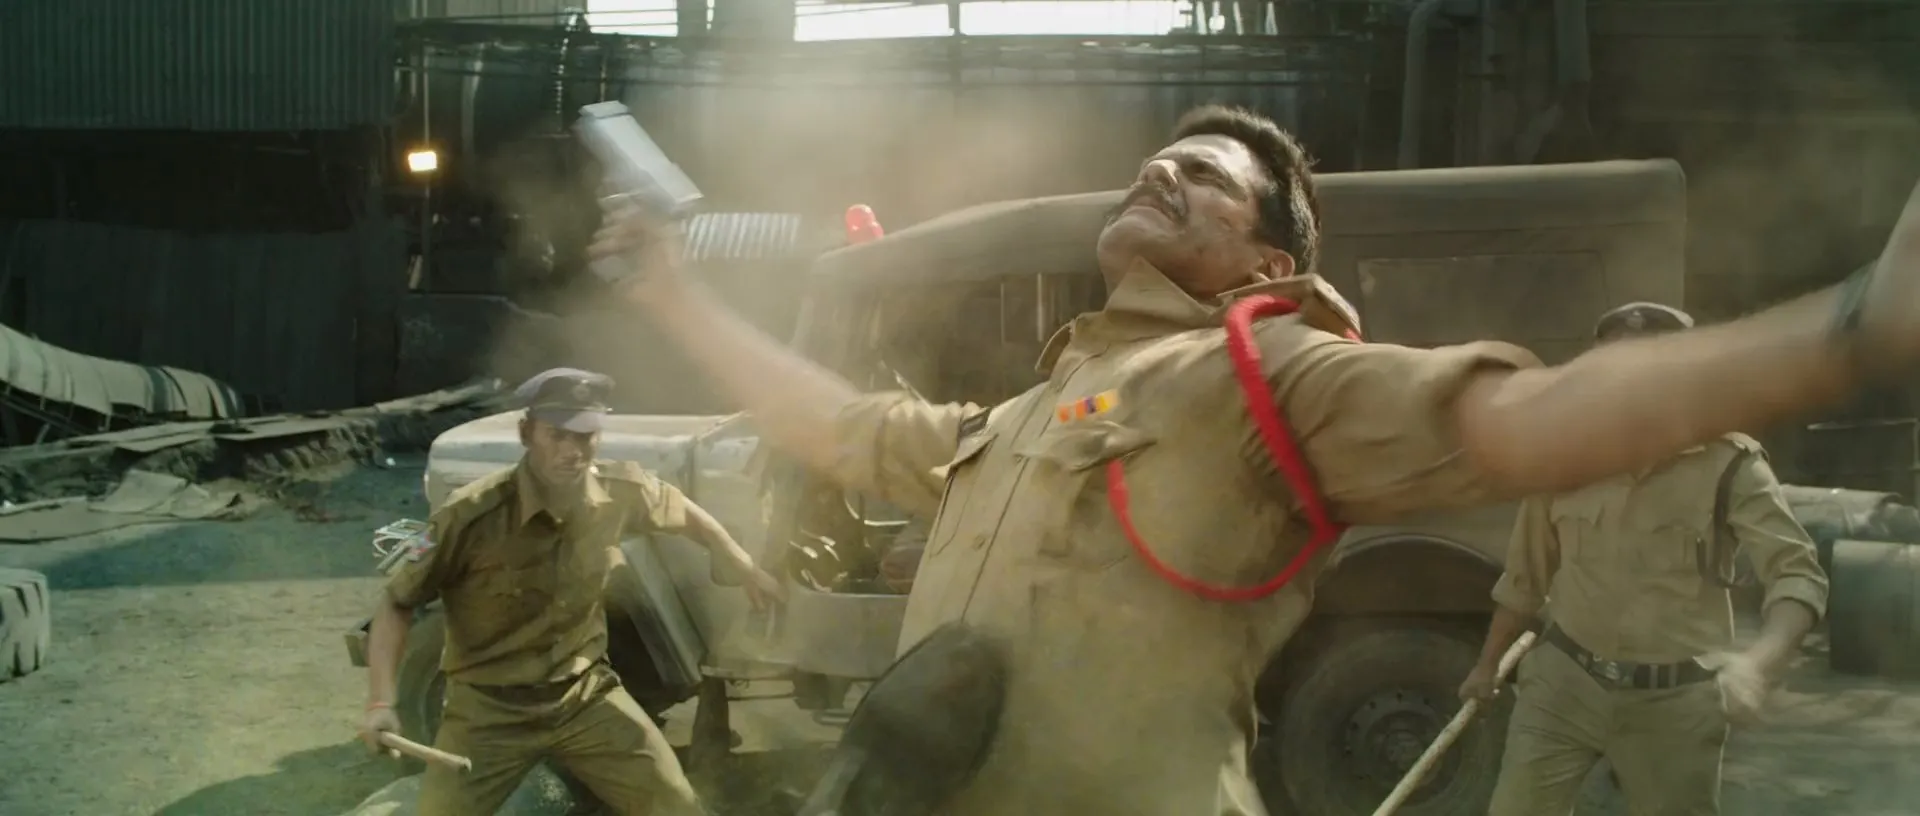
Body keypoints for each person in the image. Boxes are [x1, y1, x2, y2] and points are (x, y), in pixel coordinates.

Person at [590, 103, 1920, 815]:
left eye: (1204, 178)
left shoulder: (1267, 371)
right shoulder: (1042, 403)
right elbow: (843, 429)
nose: (1161, 173)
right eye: (1156, 162)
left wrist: (1857, 326)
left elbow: (1531, 420)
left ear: (1266, 259)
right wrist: (674, 300)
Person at [355, 367, 782, 816]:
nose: (572, 451)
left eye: (585, 436)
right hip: (489, 714)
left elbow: (682, 511)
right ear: (527, 433)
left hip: (585, 701)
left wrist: (743, 565)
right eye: (557, 436)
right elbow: (397, 603)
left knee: (676, 806)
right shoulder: (469, 515)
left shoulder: (620, 491)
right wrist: (381, 701)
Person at [1460, 302, 1828, 815]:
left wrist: (1756, 666)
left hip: (1674, 706)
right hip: (1565, 684)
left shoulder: (1731, 467)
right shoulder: (1564, 458)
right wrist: (1485, 667)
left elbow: (1798, 577)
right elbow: (1525, 578)